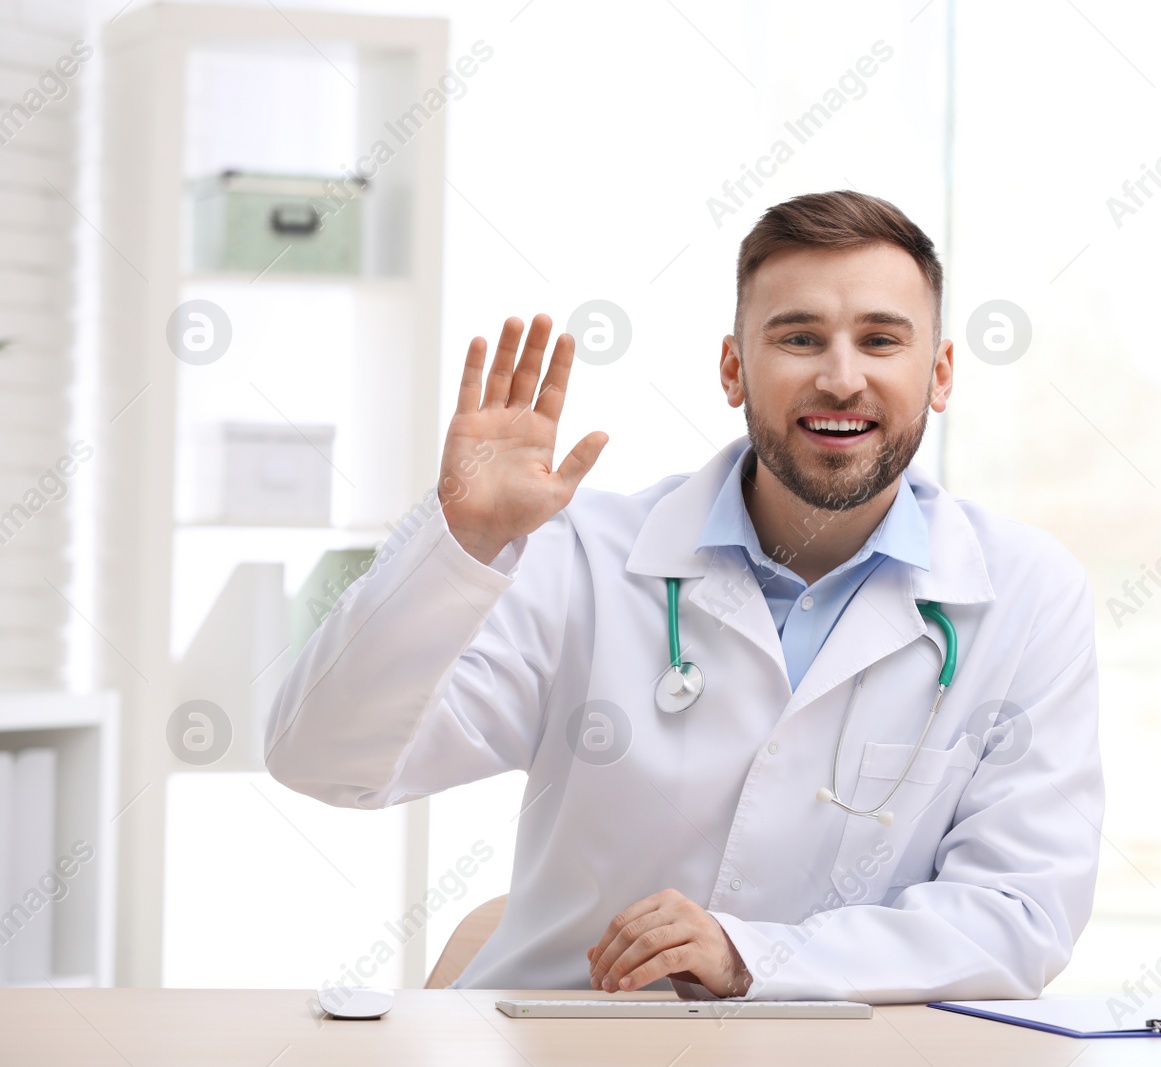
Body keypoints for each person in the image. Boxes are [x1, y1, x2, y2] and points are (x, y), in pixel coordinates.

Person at [266, 190, 1102, 1003]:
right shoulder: (581, 555)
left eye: (881, 340)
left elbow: (1019, 914)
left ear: (940, 372)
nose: (842, 378)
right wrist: (459, 548)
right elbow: (326, 764)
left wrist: (753, 955)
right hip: (563, 1044)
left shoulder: (1028, 593)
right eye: (799, 337)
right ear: (734, 369)